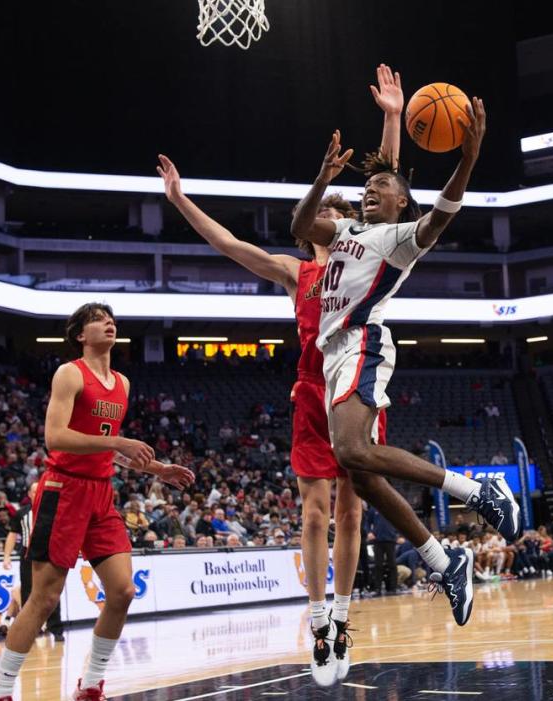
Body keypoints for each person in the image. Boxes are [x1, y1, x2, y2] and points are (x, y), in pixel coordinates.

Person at [157, 63, 403, 687]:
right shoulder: (296, 271)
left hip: (357, 387)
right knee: (315, 513)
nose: (342, 216)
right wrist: (182, 200)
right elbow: (228, 244)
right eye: (336, 209)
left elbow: (392, 194)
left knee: (351, 514)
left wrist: (393, 119)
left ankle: (342, 619)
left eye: (349, 209)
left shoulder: (369, 252)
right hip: (312, 393)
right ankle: (318, 618)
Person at [291, 97, 521, 630]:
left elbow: (445, 209)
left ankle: (476, 491)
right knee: (363, 475)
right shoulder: (344, 232)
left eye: (383, 188)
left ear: (401, 203)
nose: (371, 190)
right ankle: (445, 560)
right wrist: (324, 178)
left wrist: (470, 154)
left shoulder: (400, 239)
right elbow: (302, 222)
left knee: (350, 450)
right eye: (367, 188)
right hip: (331, 359)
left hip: (361, 345)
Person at [0, 303, 194, 701]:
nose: (108, 322)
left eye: (110, 317)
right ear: (81, 334)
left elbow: (108, 450)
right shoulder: (70, 373)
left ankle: (91, 683)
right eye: (98, 318)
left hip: (101, 492)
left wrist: (157, 469)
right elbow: (56, 437)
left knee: (123, 592)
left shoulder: (123, 383)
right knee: (43, 599)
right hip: (63, 490)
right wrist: (118, 441)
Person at [3, 482, 64, 641]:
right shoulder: (21, 513)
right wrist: (6, 556)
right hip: (27, 555)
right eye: (35, 491)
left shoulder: (53, 511)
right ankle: (30, 629)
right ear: (29, 494)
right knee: (27, 592)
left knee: (52, 591)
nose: (38, 494)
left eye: (41, 491)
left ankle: (55, 629)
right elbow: (12, 534)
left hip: (49, 554)